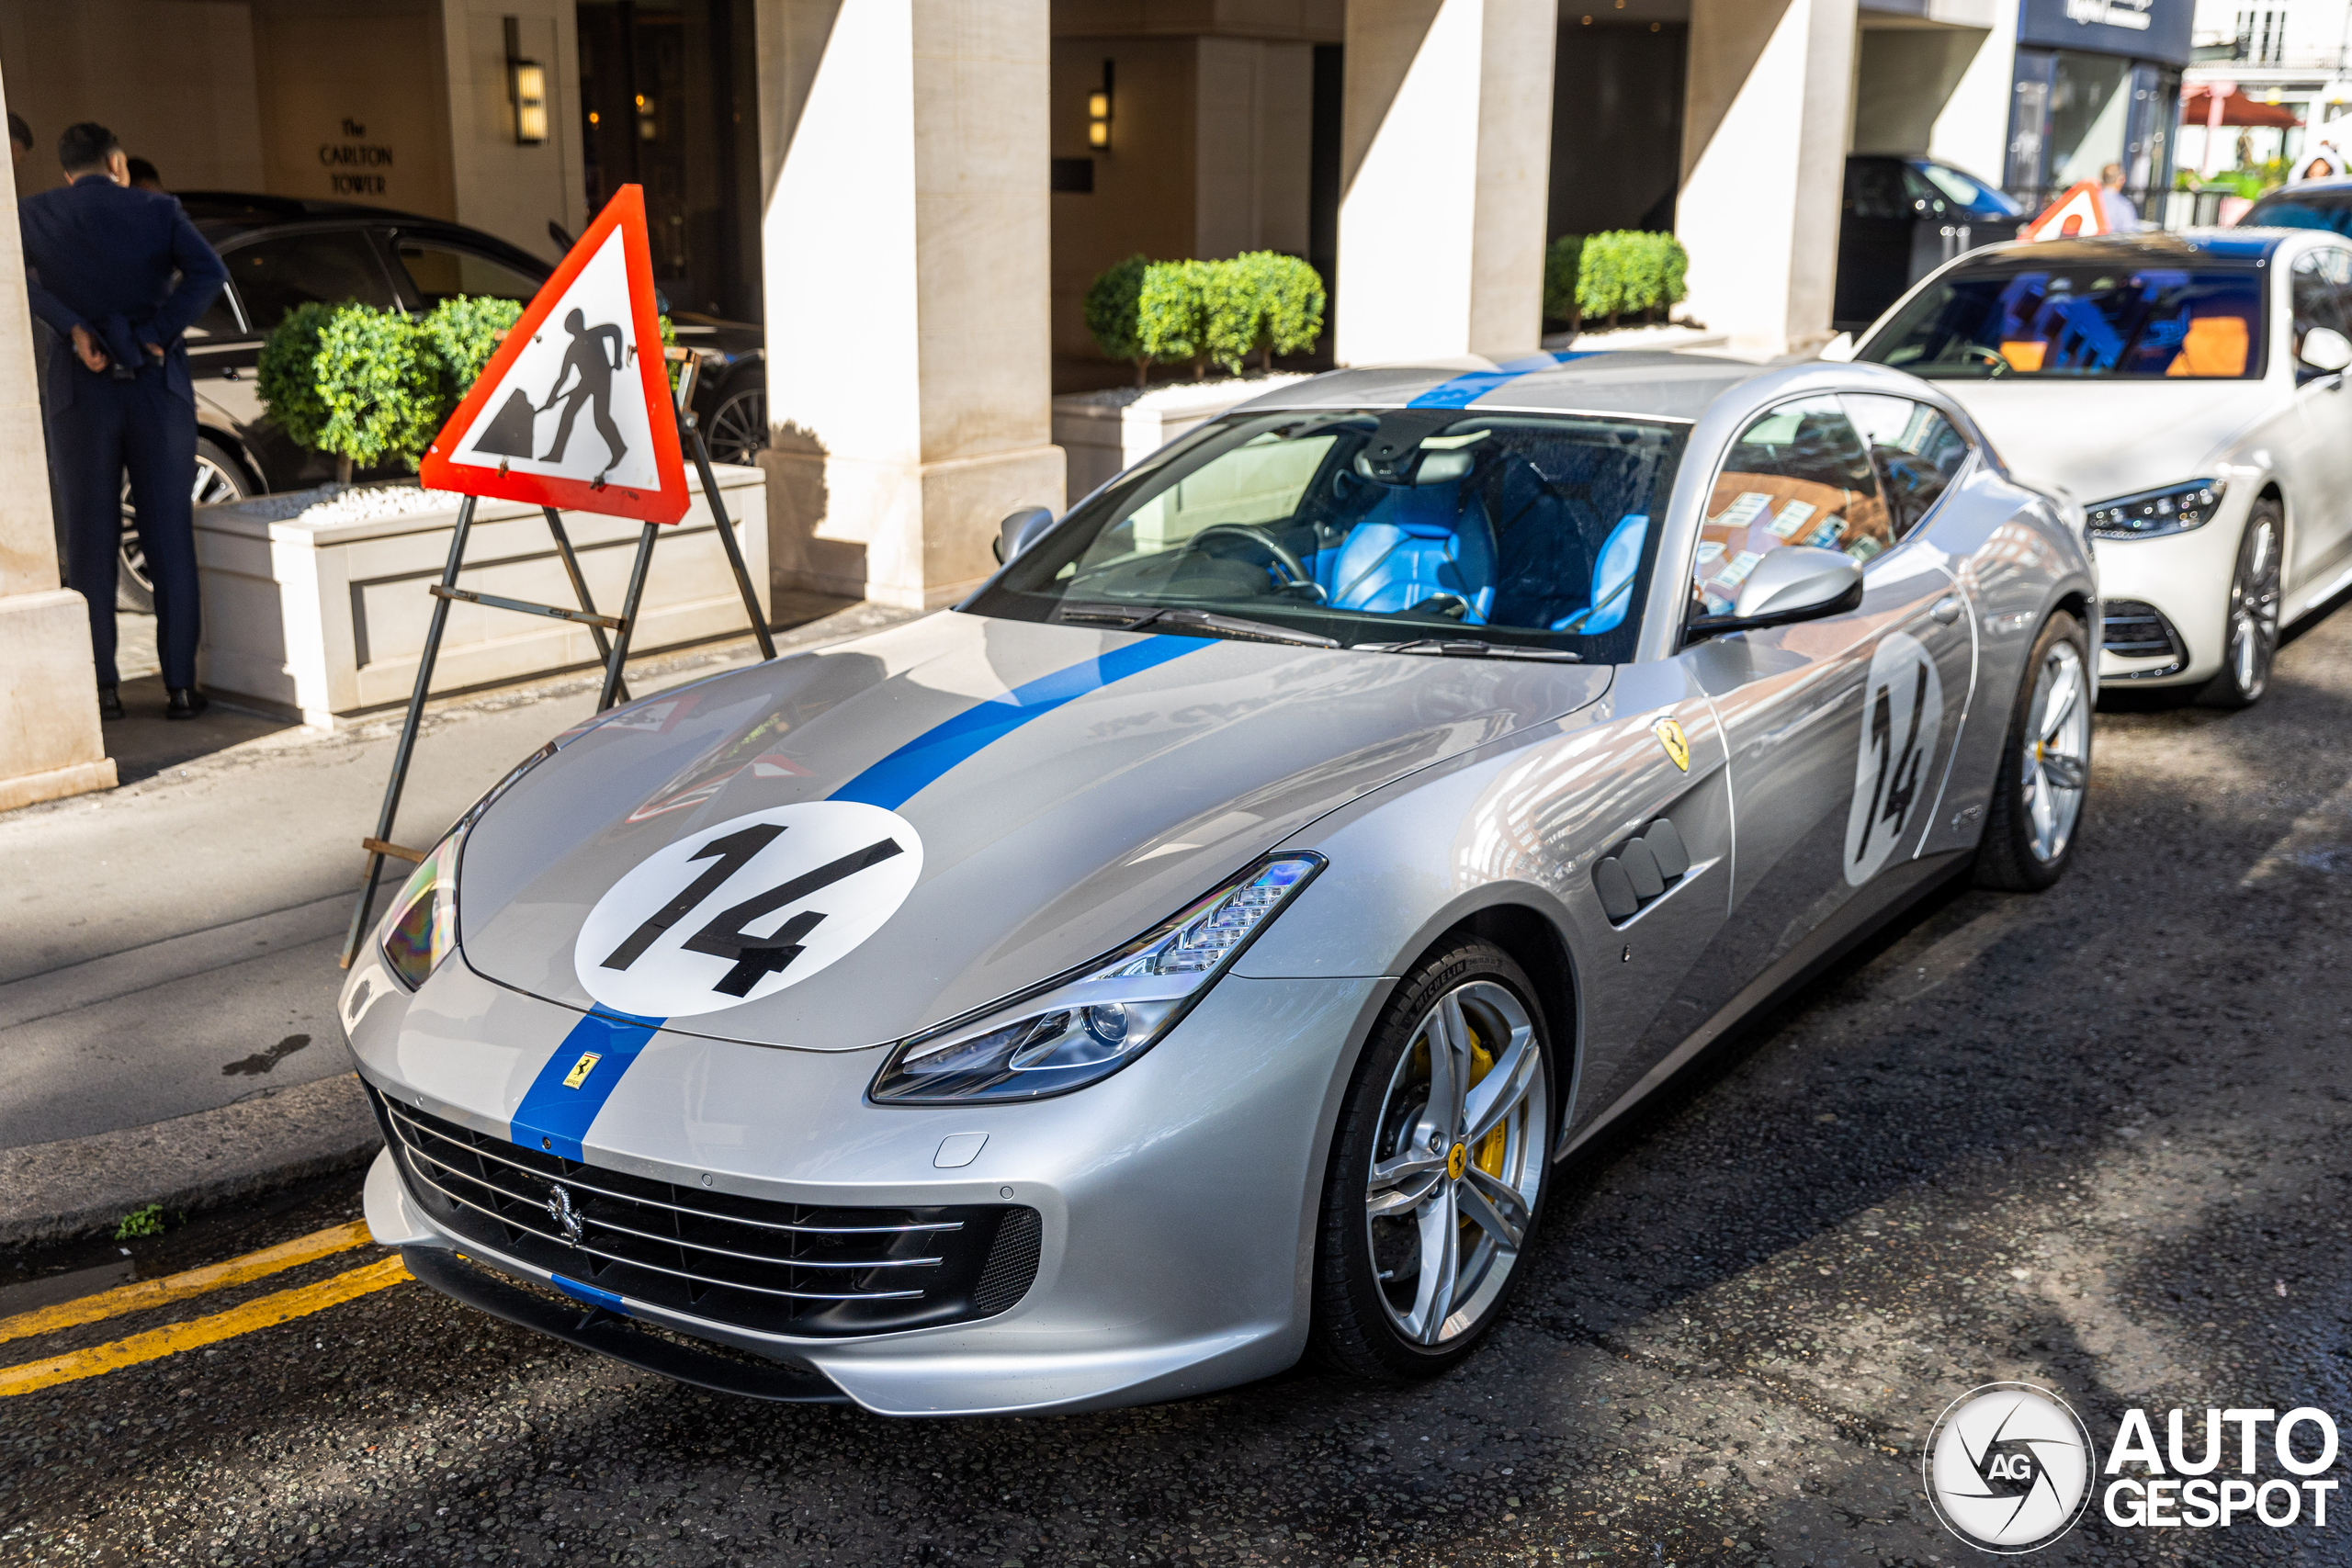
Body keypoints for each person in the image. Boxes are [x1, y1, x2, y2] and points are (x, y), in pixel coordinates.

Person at [19, 121, 227, 721]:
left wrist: (72, 325)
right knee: (167, 535)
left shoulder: (35, 215)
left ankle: (102, 687)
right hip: (155, 385)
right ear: (117, 161)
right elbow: (210, 274)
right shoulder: (157, 210)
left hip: (81, 391)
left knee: (90, 539)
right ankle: (181, 687)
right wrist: (160, 333)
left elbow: (13, 278)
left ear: (66, 170)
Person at [2098, 163, 2143, 233]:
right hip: (2109, 243)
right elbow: (2129, 235)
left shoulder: (2088, 199)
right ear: (2121, 179)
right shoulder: (2124, 206)